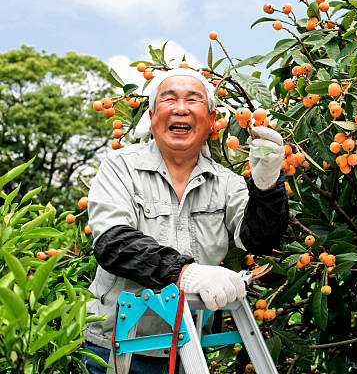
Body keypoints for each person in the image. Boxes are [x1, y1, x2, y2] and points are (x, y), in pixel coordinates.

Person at [81, 68, 288, 373]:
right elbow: (114, 243)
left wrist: (268, 187)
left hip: (187, 353)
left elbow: (260, 238)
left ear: (211, 120)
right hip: (114, 348)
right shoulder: (120, 167)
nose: (180, 108)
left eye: (193, 100)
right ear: (151, 116)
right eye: (169, 99)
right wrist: (185, 274)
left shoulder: (226, 183)